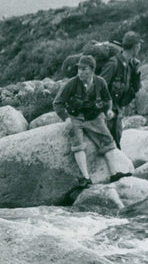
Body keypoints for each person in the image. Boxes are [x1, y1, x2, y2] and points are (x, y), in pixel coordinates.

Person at [53, 55, 131, 188]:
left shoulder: (100, 82)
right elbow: (58, 103)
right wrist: (66, 118)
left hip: (94, 117)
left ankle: (114, 173)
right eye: (79, 69)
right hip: (75, 117)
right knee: (77, 142)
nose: (80, 72)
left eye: (84, 69)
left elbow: (107, 99)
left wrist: (109, 111)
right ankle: (86, 177)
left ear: (92, 70)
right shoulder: (71, 84)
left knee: (107, 139)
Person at [99, 31, 143, 147]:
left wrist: (136, 72)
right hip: (106, 113)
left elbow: (136, 89)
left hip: (117, 112)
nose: (139, 48)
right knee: (105, 146)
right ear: (135, 47)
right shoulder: (113, 64)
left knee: (116, 145)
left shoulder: (130, 66)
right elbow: (99, 87)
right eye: (139, 46)